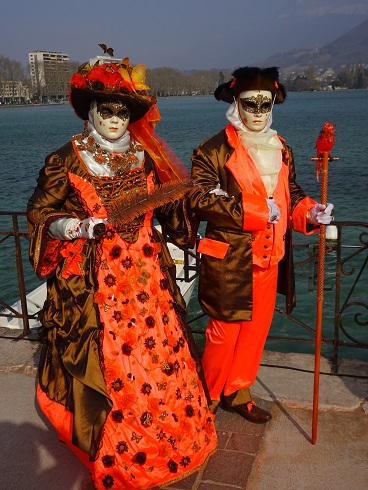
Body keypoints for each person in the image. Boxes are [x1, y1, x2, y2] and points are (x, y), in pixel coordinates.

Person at [27, 57, 216, 489]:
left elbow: (169, 207)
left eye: (123, 112)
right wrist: (76, 226)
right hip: (96, 280)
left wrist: (199, 198)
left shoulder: (147, 158)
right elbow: (40, 214)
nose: (115, 119)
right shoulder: (66, 160)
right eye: (106, 109)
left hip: (147, 276)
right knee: (109, 359)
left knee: (159, 354)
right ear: (90, 109)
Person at [188, 66, 334, 423]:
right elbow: (200, 200)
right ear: (236, 104)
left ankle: (237, 391)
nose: (257, 112)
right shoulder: (211, 151)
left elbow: (292, 194)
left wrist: (311, 212)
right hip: (229, 260)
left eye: (264, 105)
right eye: (250, 104)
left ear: (272, 106)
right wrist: (255, 210)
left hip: (271, 259)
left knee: (255, 331)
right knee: (224, 333)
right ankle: (208, 394)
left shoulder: (281, 149)